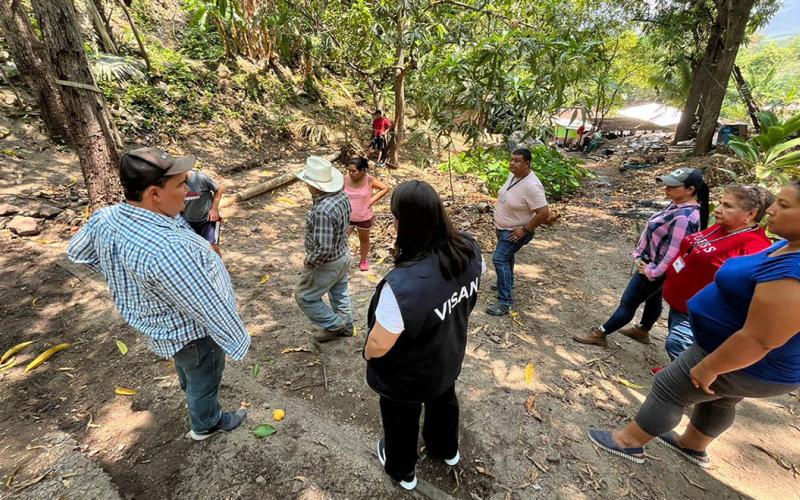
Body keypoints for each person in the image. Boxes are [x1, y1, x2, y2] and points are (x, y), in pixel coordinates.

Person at [586, 180, 800, 469]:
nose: (771, 210)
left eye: (784, 205)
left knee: (669, 387)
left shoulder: (793, 270)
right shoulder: (788, 246)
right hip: (738, 354)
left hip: (744, 358)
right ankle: (693, 445)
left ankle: (628, 442)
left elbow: (761, 338)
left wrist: (710, 366)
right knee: (720, 399)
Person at [67, 147, 249, 441]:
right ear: (155, 193)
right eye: (181, 184)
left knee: (188, 369)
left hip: (163, 327)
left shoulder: (106, 219)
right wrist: (237, 338)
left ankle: (193, 395)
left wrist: (126, 276)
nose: (188, 190)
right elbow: (207, 306)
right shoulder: (168, 249)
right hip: (195, 333)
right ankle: (207, 423)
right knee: (205, 376)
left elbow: (78, 251)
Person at [363, 180, 483, 491]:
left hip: (408, 376)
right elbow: (467, 297)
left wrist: (367, 353)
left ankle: (403, 470)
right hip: (448, 355)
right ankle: (446, 449)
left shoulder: (401, 286)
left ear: (403, 222)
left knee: (401, 418)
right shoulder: (469, 249)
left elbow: (378, 344)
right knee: (443, 399)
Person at [574, 168, 709, 347]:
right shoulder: (678, 206)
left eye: (672, 186)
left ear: (690, 190)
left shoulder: (684, 217)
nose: (667, 189)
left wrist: (653, 271)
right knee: (653, 297)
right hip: (656, 264)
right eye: (667, 185)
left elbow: (673, 252)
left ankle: (601, 333)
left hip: (656, 267)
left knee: (628, 302)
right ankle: (643, 330)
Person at [655, 185, 773, 370]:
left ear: (750, 214)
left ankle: (681, 379)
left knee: (678, 344)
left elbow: (747, 290)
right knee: (676, 340)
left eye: (727, 206)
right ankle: (675, 370)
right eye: (720, 203)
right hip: (680, 302)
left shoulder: (755, 247)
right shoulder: (722, 227)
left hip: (699, 311)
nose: (718, 209)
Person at [295, 156, 354, 342]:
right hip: (343, 254)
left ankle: (335, 325)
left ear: (315, 186)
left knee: (304, 297)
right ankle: (347, 326)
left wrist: (310, 261)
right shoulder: (342, 196)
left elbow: (324, 249)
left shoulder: (322, 210)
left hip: (328, 262)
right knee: (340, 293)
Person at [486, 148, 550, 316]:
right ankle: (508, 282)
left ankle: (504, 302)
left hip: (515, 232)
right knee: (507, 257)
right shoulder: (514, 175)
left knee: (499, 258)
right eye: (511, 159)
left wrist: (525, 229)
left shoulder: (532, 186)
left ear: (527, 164)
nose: (512, 163)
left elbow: (544, 213)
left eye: (517, 161)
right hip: (503, 228)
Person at [344, 157, 390, 271]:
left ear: (362, 171)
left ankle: (363, 260)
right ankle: (341, 260)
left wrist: (372, 200)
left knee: (364, 239)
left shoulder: (369, 180)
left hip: (364, 217)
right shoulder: (345, 179)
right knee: (342, 239)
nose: (351, 173)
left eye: (354, 171)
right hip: (347, 216)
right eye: (349, 170)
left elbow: (385, 188)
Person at [182, 169, 223, 256]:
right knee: (193, 250)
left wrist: (214, 209)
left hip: (208, 219)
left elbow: (218, 190)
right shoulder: (174, 183)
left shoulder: (201, 178)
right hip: (188, 222)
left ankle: (219, 264)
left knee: (213, 248)